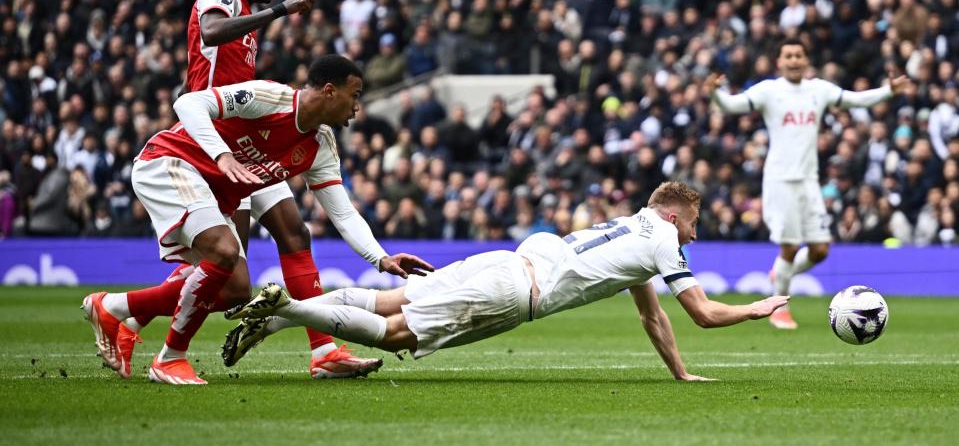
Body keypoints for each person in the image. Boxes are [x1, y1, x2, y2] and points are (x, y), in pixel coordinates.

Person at [85, 0, 376, 381]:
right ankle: (129, 315)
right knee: (230, 277)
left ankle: (324, 351)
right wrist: (280, 11)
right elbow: (211, 32)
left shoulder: (251, 29)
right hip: (210, 141)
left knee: (295, 235)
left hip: (249, 138)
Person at [83, 55, 433, 385]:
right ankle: (170, 357)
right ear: (330, 91)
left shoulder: (321, 144)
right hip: (170, 162)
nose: (358, 107)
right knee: (224, 249)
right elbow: (187, 103)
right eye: (354, 95)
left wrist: (381, 258)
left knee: (235, 291)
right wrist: (221, 155)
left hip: (213, 191)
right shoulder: (269, 97)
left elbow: (342, 212)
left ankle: (114, 306)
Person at [222, 182, 789, 381]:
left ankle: (277, 315)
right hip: (517, 292)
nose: (693, 237)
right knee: (394, 333)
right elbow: (702, 312)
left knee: (387, 297)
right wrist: (758, 307)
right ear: (672, 217)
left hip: (508, 260)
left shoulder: (633, 229)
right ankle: (291, 311)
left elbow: (652, 315)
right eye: (693, 224)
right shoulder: (664, 240)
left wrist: (681, 372)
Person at [702, 39, 910, 329]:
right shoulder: (769, 91)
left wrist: (889, 90)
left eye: (799, 55)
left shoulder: (818, 89)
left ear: (806, 60)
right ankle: (778, 307)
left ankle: (780, 274)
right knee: (789, 246)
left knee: (820, 250)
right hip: (779, 180)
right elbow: (732, 105)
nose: (794, 60)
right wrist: (715, 93)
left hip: (809, 181)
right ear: (779, 61)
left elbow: (855, 99)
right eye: (788, 55)